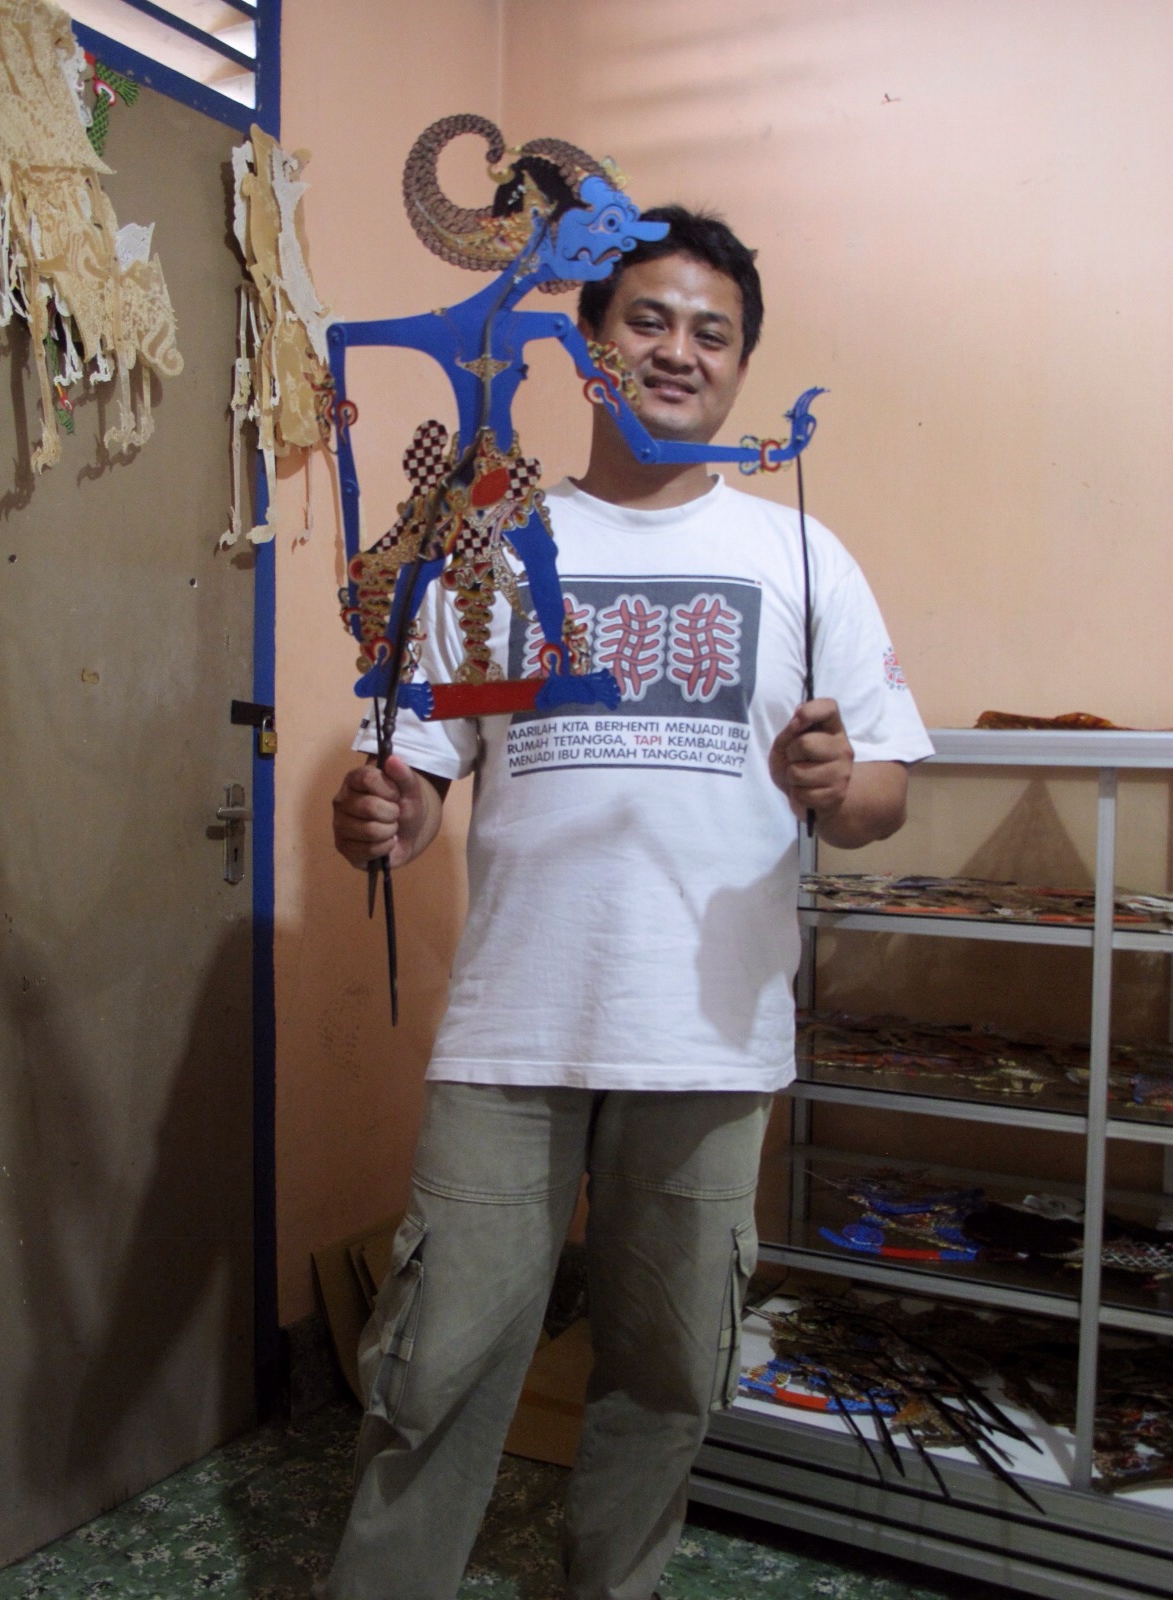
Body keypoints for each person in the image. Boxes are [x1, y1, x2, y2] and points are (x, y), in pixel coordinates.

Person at [323, 208, 934, 1600]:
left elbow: (883, 792)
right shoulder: (490, 548)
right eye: (646, 318)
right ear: (590, 343)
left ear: (741, 368)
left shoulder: (801, 555)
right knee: (433, 1370)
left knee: (664, 1381)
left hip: (708, 1040)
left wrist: (838, 783)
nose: (678, 350)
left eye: (713, 332)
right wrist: (386, 820)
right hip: (513, 1034)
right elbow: (420, 781)